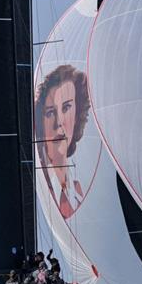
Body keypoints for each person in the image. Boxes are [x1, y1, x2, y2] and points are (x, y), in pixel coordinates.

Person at [35, 65, 91, 219]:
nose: (59, 122)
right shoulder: (38, 190)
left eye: (66, 108)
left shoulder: (78, 191)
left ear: (77, 113)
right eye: (51, 112)